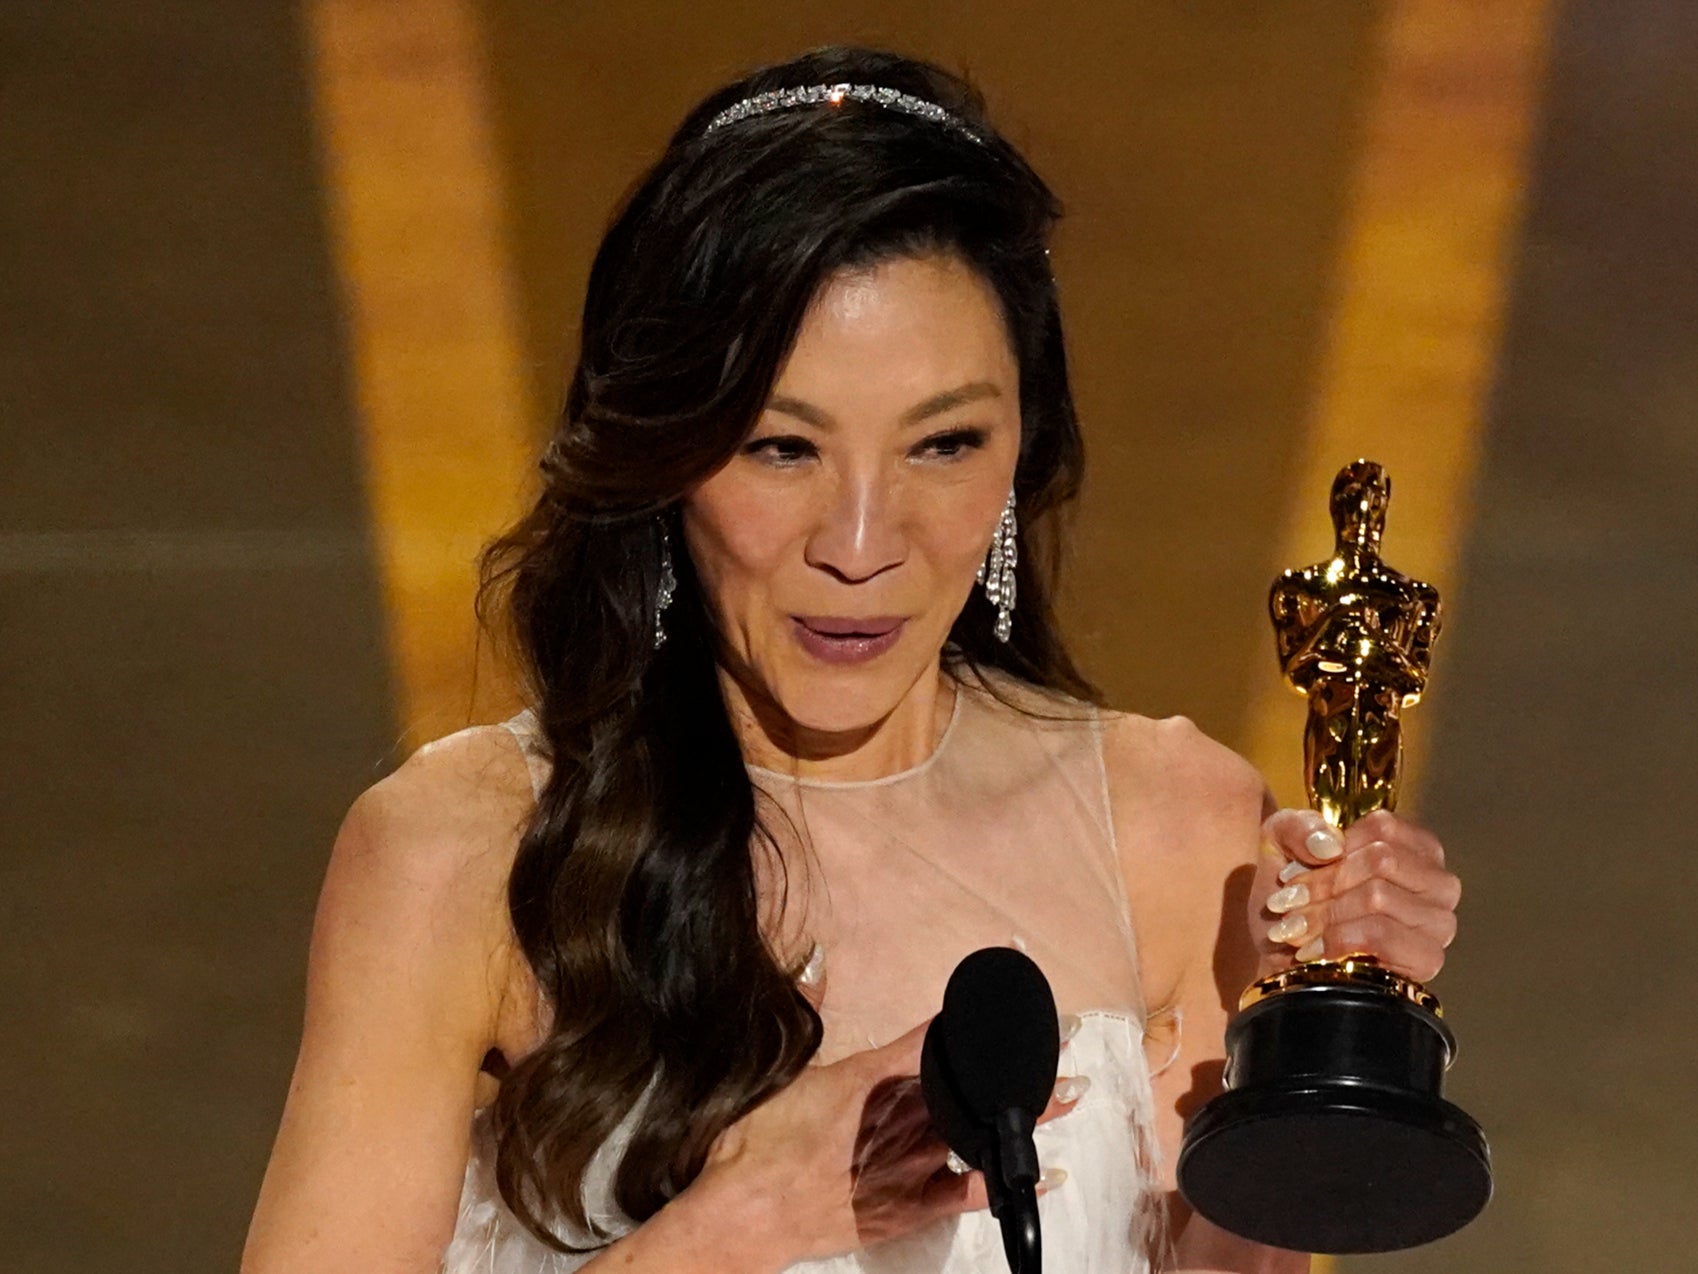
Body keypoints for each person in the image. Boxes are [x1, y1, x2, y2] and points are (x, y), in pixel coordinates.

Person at [242, 46, 1463, 1274]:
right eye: (782, 448)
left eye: (944, 443)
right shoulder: (462, 859)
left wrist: (1317, 1064)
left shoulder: (1181, 832)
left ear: (1020, 452)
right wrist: (735, 1226)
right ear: (662, 454)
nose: (864, 545)